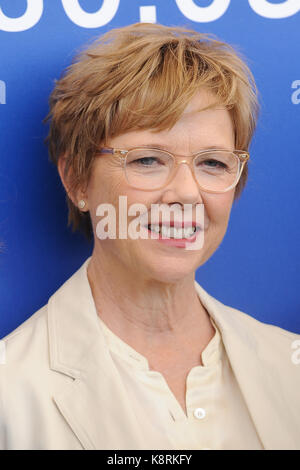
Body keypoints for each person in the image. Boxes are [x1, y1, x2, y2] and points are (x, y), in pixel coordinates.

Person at [0, 23, 299, 451]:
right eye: (147, 160)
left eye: (212, 163)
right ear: (77, 180)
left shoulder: (289, 365)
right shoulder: (9, 393)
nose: (186, 193)